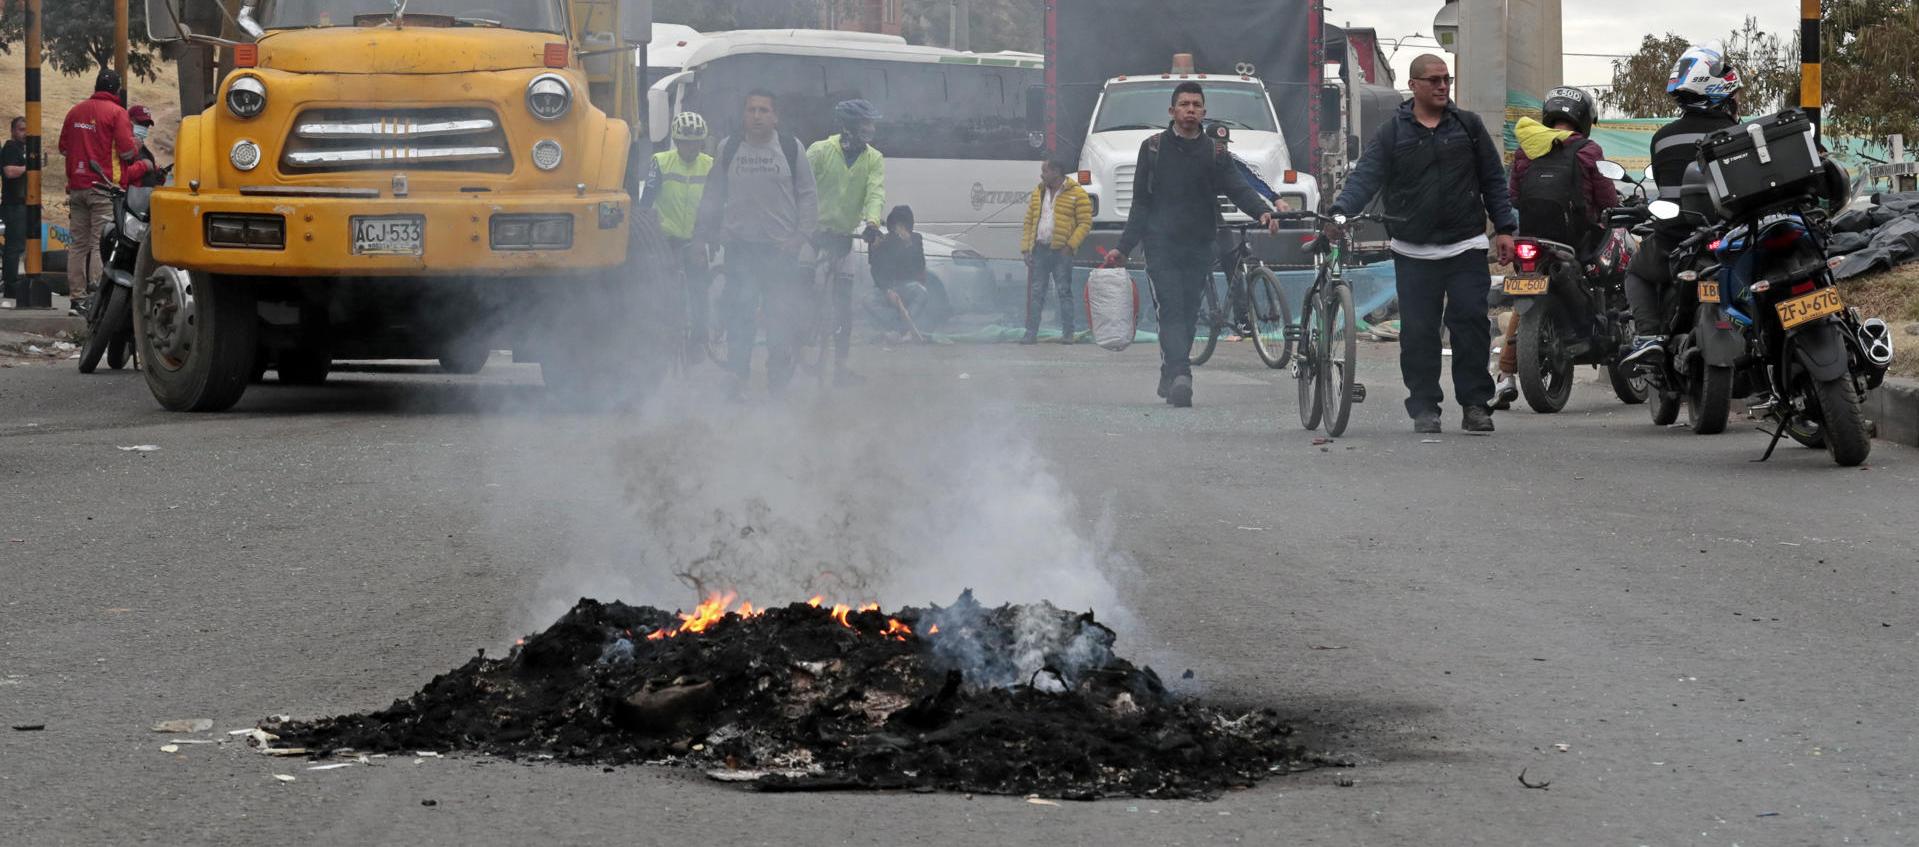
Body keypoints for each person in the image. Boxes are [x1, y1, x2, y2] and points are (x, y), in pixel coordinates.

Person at [1327, 54, 1517, 434]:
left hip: (1466, 245)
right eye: (1433, 80)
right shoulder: (1392, 133)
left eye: (1446, 79)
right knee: (1418, 332)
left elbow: (1493, 179)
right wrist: (1341, 212)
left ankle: (1475, 404)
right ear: (1413, 86)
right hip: (1413, 250)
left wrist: (1506, 227)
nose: (1442, 86)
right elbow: (1366, 177)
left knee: (1471, 325)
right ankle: (1425, 406)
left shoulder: (1468, 126)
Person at [1111, 81, 1278, 408]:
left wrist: (1262, 212)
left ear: (1203, 111)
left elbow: (1237, 188)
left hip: (1200, 246)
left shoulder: (1215, 152)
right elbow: (1140, 204)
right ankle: (1182, 374)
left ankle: (1170, 372)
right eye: (1184, 104)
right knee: (1171, 308)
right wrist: (1123, 246)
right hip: (1160, 246)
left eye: (1196, 105)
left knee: (1188, 313)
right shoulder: (1154, 148)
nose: (1190, 110)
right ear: (1172, 111)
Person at [1493, 88, 1620, 409]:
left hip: (1532, 242)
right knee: (1607, 274)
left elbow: (1513, 196)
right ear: (1583, 119)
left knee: (1524, 302)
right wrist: (1611, 210)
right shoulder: (1589, 150)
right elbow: (1606, 199)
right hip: (1578, 241)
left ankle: (1504, 374)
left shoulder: (1526, 150)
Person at [1620, 40, 1742, 370]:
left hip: (1676, 239)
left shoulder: (1662, 138)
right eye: (1734, 97)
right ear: (1719, 91)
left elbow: (1664, 189)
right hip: (1731, 236)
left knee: (1636, 272)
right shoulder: (1737, 132)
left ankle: (1649, 336)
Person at [694, 90, 818, 399]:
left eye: (764, 110)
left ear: (775, 117)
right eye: (751, 110)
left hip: (780, 251)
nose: (757, 115)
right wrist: (706, 233)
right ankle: (737, 377)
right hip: (740, 249)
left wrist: (801, 236)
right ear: (744, 115)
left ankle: (777, 377)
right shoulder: (729, 148)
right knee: (740, 316)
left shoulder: (791, 148)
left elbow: (808, 195)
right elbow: (713, 194)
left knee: (778, 317)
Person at [806, 99, 886, 386]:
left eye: (871, 124)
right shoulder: (819, 151)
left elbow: (875, 193)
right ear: (849, 126)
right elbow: (802, 189)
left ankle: (840, 367)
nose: (870, 129)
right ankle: (792, 349)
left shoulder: (874, 158)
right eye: (865, 123)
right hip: (814, 235)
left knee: (844, 305)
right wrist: (807, 226)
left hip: (843, 238)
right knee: (802, 290)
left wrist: (873, 223)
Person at [57, 69, 138, 314]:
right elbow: (127, 153)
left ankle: (76, 299)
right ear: (116, 91)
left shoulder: (75, 111)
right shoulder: (117, 113)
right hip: (103, 187)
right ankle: (97, 297)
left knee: (78, 244)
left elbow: (63, 148)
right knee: (99, 242)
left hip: (77, 187)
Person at [641, 111, 715, 361]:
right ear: (676, 141)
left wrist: (709, 237)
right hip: (666, 238)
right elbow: (646, 202)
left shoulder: (709, 164)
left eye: (696, 143)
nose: (690, 148)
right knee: (661, 290)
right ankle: (660, 336)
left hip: (697, 238)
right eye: (685, 142)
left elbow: (716, 203)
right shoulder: (660, 161)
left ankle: (700, 339)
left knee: (699, 289)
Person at [1019, 157, 1092, 344]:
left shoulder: (1077, 193)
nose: (1042, 174)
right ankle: (1030, 333)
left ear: (1056, 172)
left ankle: (1068, 334)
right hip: (1040, 250)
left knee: (1064, 292)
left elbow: (1085, 223)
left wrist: (1071, 245)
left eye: (1045, 171)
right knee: (1036, 293)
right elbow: (1029, 222)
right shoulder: (1039, 192)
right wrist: (1026, 250)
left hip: (1062, 252)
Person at [866, 205, 928, 339]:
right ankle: (897, 326)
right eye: (896, 225)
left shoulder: (916, 239)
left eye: (902, 225)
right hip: (886, 287)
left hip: (906, 285)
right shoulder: (884, 240)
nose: (899, 229)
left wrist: (908, 244)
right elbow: (875, 269)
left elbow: (919, 267)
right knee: (868, 299)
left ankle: (901, 329)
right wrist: (887, 289)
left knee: (921, 292)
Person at [2, 117, 27, 298]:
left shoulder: (23, 149)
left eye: (27, 130)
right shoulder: (10, 148)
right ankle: (11, 286)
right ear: (13, 130)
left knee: (21, 245)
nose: (24, 133)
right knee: (14, 246)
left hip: (23, 203)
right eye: (21, 129)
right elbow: (9, 172)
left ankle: (16, 283)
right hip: (14, 204)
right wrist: (29, 168)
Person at [123, 105, 162, 188]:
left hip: (144, 196)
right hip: (127, 197)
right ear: (128, 120)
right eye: (140, 123)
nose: (143, 128)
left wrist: (158, 172)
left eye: (146, 125)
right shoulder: (119, 143)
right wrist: (143, 166)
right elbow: (117, 176)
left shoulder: (140, 145)